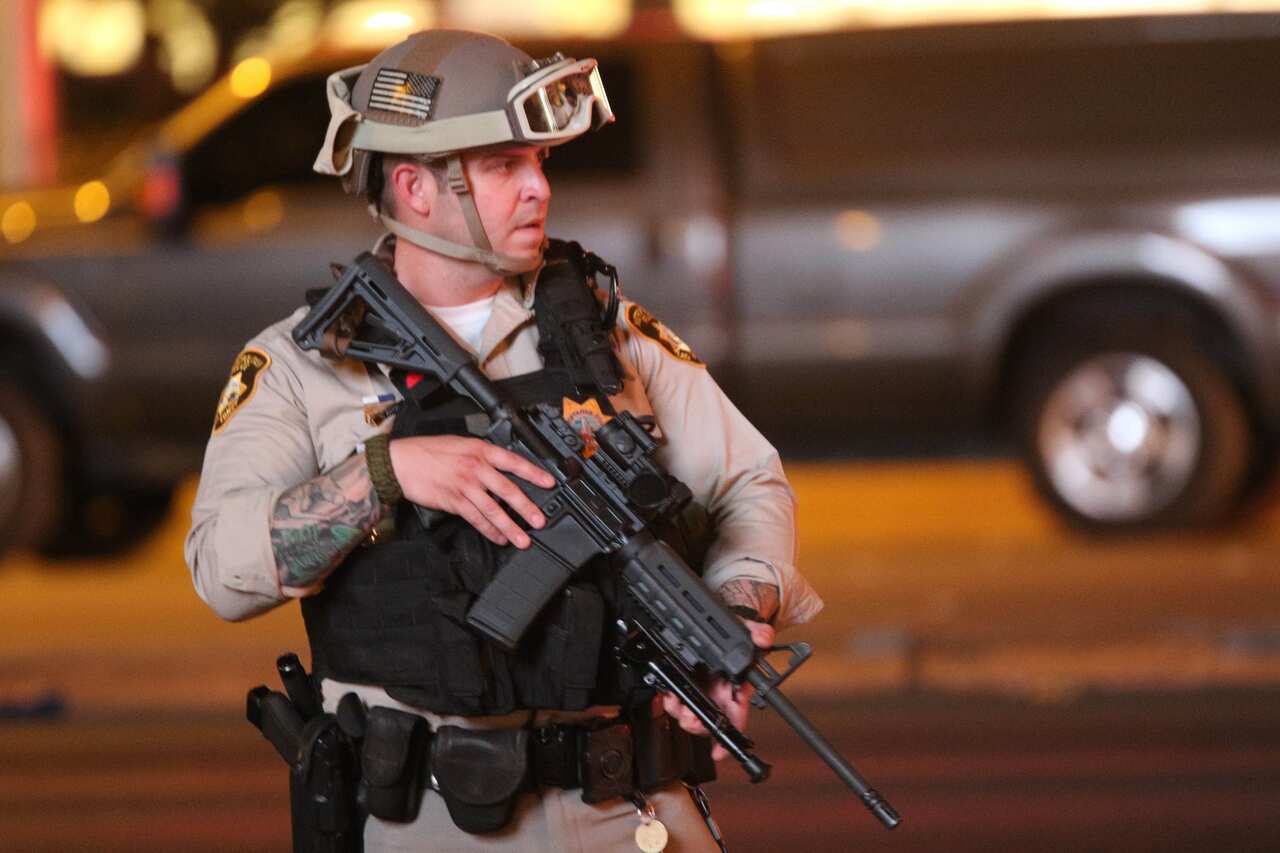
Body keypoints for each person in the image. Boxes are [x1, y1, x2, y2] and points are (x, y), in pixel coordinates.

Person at [186, 28, 823, 852]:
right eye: (503, 166)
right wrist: (385, 473)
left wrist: (729, 611)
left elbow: (751, 484)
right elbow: (221, 572)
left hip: (626, 809)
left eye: (541, 162)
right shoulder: (304, 364)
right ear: (415, 187)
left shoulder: (606, 334)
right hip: (430, 818)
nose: (538, 189)